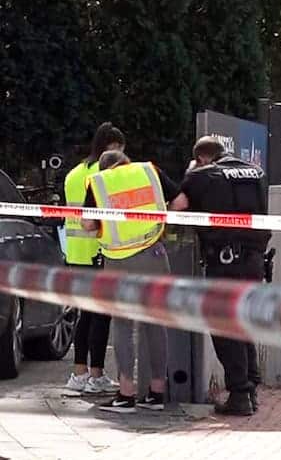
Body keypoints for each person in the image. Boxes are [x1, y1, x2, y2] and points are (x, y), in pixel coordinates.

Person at [170, 136, 271, 416]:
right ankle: (250, 390)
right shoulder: (256, 172)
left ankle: (239, 394)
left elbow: (177, 205)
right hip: (254, 260)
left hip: (225, 260)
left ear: (202, 157)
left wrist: (191, 174)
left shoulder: (202, 174)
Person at [82, 150, 186, 413]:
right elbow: (182, 202)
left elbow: (88, 224)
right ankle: (156, 393)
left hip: (119, 261)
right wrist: (158, 224)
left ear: (105, 168)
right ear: (126, 162)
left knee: (123, 325)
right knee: (155, 323)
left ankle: (126, 394)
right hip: (154, 254)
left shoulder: (99, 182)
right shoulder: (149, 171)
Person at [63, 123, 123, 395]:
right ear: (110, 147)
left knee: (84, 315)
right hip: (99, 252)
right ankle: (96, 374)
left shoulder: (74, 173)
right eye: (119, 150)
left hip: (76, 253)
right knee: (100, 316)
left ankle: (79, 373)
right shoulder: (104, 173)